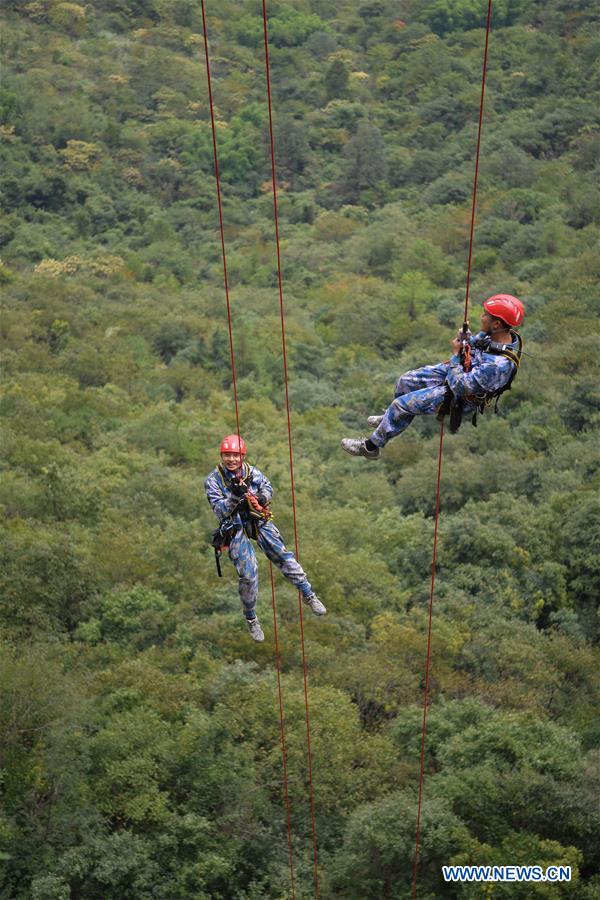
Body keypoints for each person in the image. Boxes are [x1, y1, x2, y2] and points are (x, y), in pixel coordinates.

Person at [341, 294, 524, 459]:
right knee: (405, 381)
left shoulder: (498, 365)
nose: (481, 317)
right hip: (460, 372)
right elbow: (477, 342)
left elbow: (460, 386)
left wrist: (455, 355)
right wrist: (466, 339)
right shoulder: (499, 335)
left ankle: (370, 447)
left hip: (462, 395)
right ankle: (391, 418)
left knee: (401, 405)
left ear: (497, 324)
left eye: (485, 315)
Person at [205, 434, 326, 642]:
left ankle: (309, 594)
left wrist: (260, 498)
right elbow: (220, 511)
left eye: (235, 455)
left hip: (256, 519)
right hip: (234, 526)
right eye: (227, 455)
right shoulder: (213, 481)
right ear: (222, 456)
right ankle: (251, 618)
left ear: (242, 456)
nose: (231, 459)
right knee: (248, 574)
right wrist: (235, 496)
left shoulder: (252, 473)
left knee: (283, 556)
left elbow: (268, 488)